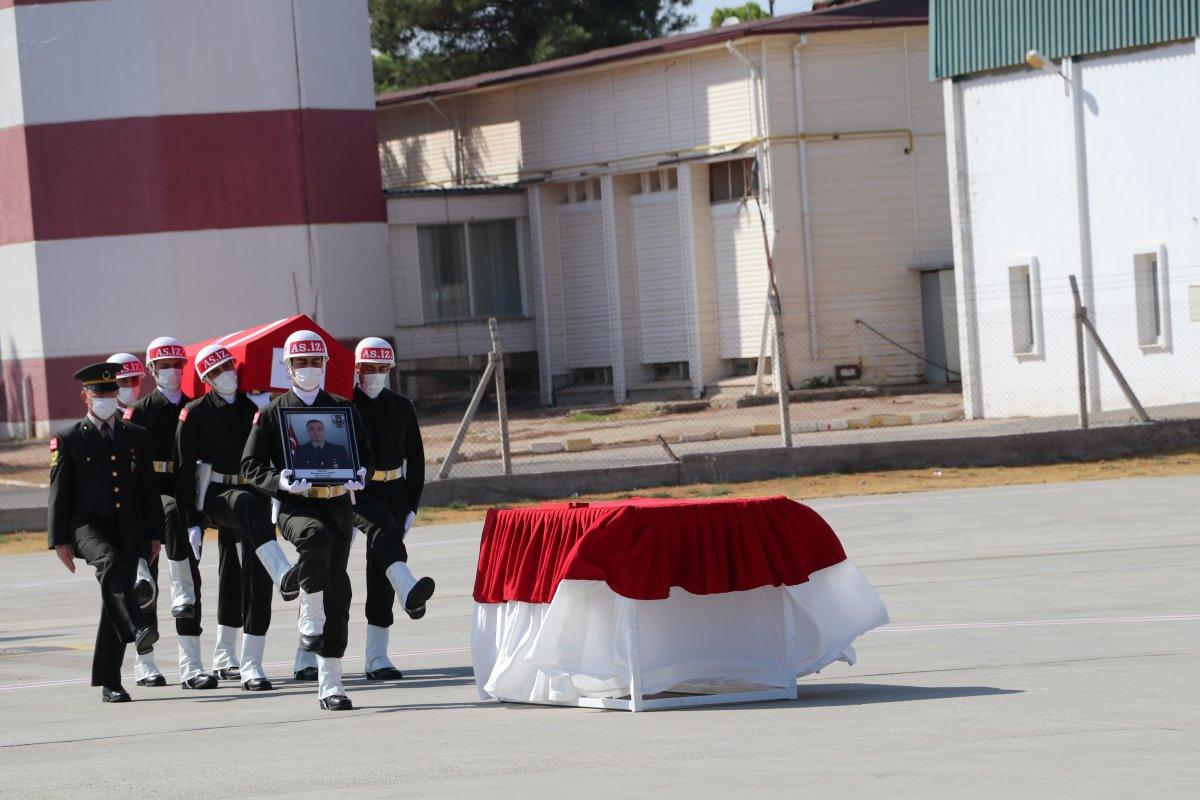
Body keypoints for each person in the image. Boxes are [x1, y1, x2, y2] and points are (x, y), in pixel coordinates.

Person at [241, 330, 372, 710]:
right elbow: (250, 465)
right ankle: (308, 611)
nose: (309, 369)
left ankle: (331, 684)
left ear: (325, 366)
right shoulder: (271, 412)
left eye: (316, 362)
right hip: (297, 506)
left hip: (338, 505)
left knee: (340, 592)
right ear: (288, 368)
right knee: (313, 539)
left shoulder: (343, 409)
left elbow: (365, 455)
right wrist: (278, 481)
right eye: (301, 362)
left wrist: (360, 474)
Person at [175, 344, 300, 691]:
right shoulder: (194, 412)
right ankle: (282, 570)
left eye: (228, 366)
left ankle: (248, 663)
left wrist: (276, 492)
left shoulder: (253, 406)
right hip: (216, 495)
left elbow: (273, 453)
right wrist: (191, 521)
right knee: (246, 506)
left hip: (254, 495)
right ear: (206, 380)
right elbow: (185, 470)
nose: (225, 375)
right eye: (215, 372)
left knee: (245, 576)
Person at [48, 363, 162, 703]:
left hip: (127, 524)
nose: (107, 398)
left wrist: (155, 534)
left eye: (111, 392)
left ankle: (111, 681)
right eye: (100, 393)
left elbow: (148, 490)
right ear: (85, 396)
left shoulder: (135, 435)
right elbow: (59, 491)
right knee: (111, 564)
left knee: (115, 595)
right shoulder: (68, 439)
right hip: (87, 525)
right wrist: (60, 540)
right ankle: (138, 626)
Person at [125, 336, 217, 690]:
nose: (171, 372)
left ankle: (192, 665)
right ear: (151, 371)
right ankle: (144, 662)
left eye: (177, 365)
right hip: (150, 496)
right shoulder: (141, 412)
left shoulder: (195, 408)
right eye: (163, 366)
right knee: (145, 585)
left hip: (186, 494)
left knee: (191, 583)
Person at [350, 337, 433, 679]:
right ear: (357, 369)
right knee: (328, 570)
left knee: (380, 572)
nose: (376, 375)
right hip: (355, 492)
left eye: (383, 368)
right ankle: (307, 654)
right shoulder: (344, 404)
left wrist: (411, 504)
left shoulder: (402, 406)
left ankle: (377, 657)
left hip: (394, 491)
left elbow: (415, 457)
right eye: (369, 368)